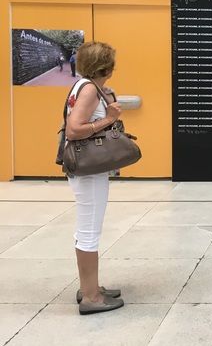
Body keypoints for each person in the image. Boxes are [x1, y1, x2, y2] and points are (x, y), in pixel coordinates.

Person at [63, 41, 124, 315]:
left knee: (87, 229)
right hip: (89, 172)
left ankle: (91, 286)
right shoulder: (89, 90)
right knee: (89, 232)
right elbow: (74, 129)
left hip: (86, 171)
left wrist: (108, 100)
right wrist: (108, 119)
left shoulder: (85, 86)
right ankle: (91, 297)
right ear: (106, 65)